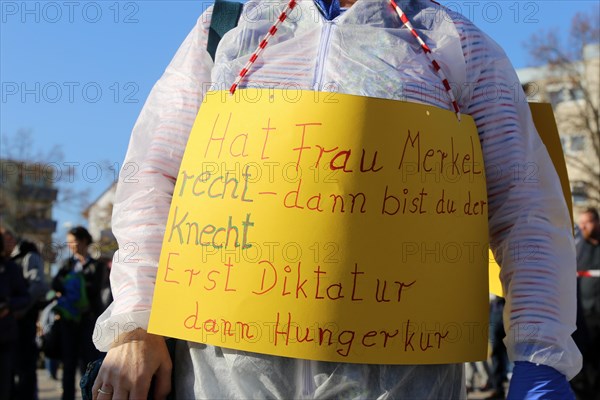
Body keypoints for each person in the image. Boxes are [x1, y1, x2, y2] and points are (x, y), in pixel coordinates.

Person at [92, 0, 582, 399]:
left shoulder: (455, 45)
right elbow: (154, 178)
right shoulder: (228, 29)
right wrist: (136, 325)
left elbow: (527, 208)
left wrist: (541, 357)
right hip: (222, 374)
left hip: (402, 380)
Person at [53, 226, 105, 400]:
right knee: (68, 364)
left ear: (83, 241)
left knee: (88, 364)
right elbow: (55, 285)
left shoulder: (97, 266)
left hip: (88, 321)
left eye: (73, 241)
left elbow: (100, 293)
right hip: (69, 322)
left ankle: (88, 396)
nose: (71, 245)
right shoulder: (67, 265)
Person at [5, 231, 49, 400]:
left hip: (23, 321)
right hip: (12, 322)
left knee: (25, 367)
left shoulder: (28, 256)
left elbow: (37, 285)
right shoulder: (8, 259)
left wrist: (19, 310)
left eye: (8, 238)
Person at [571, 208, 600, 400]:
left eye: (587, 222)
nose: (582, 226)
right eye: (580, 223)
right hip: (582, 320)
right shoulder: (577, 248)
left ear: (597, 222)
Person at [0, 231, 31, 400]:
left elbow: (24, 297)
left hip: (5, 335)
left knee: (5, 383)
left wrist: (8, 305)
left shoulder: (10, 268)